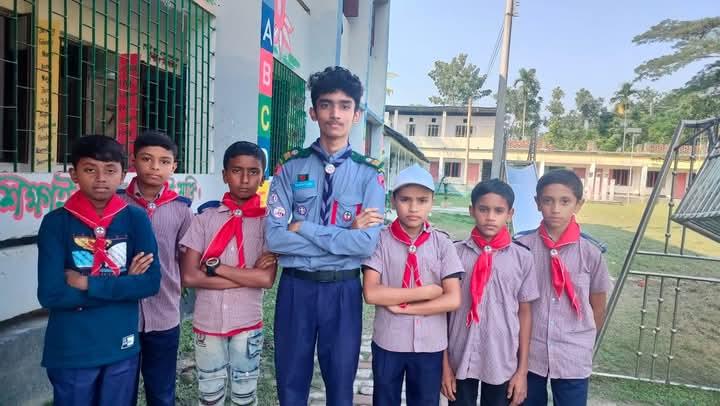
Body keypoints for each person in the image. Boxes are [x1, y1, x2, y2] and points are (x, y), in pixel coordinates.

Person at [265, 66, 386, 405]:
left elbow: (365, 244)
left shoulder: (369, 174)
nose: (335, 113)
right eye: (326, 104)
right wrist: (344, 236)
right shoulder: (290, 167)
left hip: (343, 291)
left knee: (341, 384)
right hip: (296, 289)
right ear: (313, 112)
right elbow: (275, 238)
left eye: (345, 105)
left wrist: (304, 228)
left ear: (357, 114)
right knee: (290, 382)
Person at [37, 134, 161, 406]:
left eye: (110, 170)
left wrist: (87, 284)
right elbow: (50, 294)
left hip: (121, 343)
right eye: (90, 169)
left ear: (123, 175)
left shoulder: (136, 219)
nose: (101, 178)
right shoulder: (56, 223)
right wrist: (125, 285)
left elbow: (151, 282)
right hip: (71, 348)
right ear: (74, 174)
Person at [180, 141, 278, 405]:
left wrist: (216, 268)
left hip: (247, 324)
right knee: (209, 394)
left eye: (253, 172)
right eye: (236, 171)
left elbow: (266, 279)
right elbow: (189, 277)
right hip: (207, 323)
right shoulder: (204, 219)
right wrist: (246, 277)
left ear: (262, 177)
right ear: (224, 175)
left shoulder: (269, 224)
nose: (245, 179)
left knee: (245, 395)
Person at [363, 164, 463, 406]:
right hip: (389, 340)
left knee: (425, 401)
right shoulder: (380, 241)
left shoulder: (442, 243)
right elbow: (372, 292)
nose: (414, 208)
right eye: (405, 199)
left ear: (432, 202)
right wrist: (426, 292)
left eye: (422, 200)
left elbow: (452, 299)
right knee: (384, 400)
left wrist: (405, 307)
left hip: (430, 345)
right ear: (393, 200)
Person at [517, 169, 611, 406]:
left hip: (573, 353)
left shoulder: (591, 253)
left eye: (565, 201)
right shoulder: (521, 248)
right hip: (529, 351)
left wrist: (584, 342)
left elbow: (598, 307)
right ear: (537, 203)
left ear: (578, 204)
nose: (556, 209)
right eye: (548, 201)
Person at [442, 179, 538, 406]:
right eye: (483, 209)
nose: (490, 217)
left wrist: (522, 371)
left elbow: (525, 313)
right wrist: (444, 366)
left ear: (510, 214)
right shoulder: (454, 253)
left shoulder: (523, 258)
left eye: (499, 211)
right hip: (460, 354)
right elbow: (442, 314)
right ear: (471, 210)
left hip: (501, 357)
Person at [118, 130, 193, 405]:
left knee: (161, 391)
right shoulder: (116, 205)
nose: (154, 167)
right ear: (133, 161)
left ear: (174, 167)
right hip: (121, 314)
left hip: (164, 315)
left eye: (164, 161)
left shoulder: (182, 210)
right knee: (121, 390)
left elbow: (185, 260)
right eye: (146, 159)